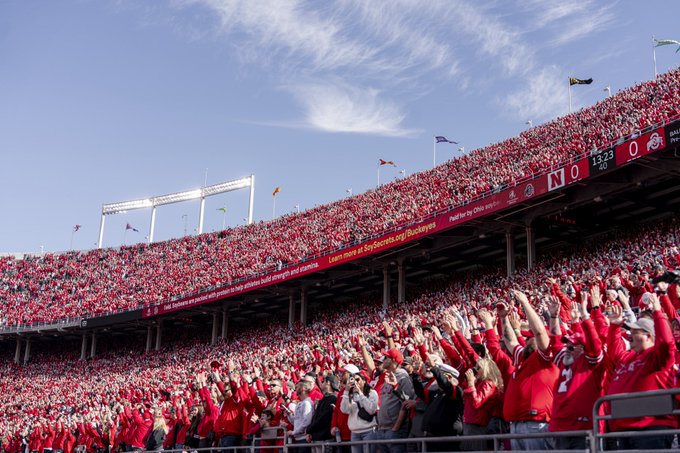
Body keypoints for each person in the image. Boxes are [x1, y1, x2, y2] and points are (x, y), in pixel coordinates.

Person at [605, 293, 677, 450]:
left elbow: (665, 342)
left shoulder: (657, 357)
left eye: (635, 331)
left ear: (648, 336)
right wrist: (614, 326)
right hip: (625, 428)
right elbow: (613, 351)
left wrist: (658, 312)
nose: (630, 335)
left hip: (651, 428)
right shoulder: (627, 358)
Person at [374, 348, 415, 453]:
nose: (383, 359)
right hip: (383, 428)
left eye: (386, 357)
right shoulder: (387, 377)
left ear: (393, 361)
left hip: (394, 429)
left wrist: (396, 427)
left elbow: (406, 402)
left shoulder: (403, 377)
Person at [420, 363, 463, 452]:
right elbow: (420, 393)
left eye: (439, 377)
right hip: (432, 438)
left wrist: (434, 369)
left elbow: (446, 386)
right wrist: (415, 376)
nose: (437, 380)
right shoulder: (438, 393)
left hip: (445, 439)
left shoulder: (456, 391)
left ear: (449, 377)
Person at [340, 371, 378, 453]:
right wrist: (346, 391)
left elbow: (371, 410)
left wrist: (360, 394)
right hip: (354, 432)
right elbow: (344, 410)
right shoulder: (350, 395)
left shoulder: (372, 393)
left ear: (364, 381)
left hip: (369, 431)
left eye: (358, 380)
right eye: (353, 380)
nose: (356, 382)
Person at [306, 375, 339, 453]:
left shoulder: (333, 399)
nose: (322, 384)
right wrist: (310, 432)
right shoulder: (325, 398)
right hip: (317, 438)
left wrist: (309, 429)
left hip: (325, 438)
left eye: (323, 381)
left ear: (328, 383)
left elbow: (323, 418)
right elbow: (316, 416)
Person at [288, 380, 314, 453]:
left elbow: (306, 422)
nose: (296, 387)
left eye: (298, 386)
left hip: (304, 439)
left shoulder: (307, 403)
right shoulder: (300, 403)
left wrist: (293, 432)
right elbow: (296, 421)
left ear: (303, 388)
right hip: (298, 439)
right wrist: (289, 415)